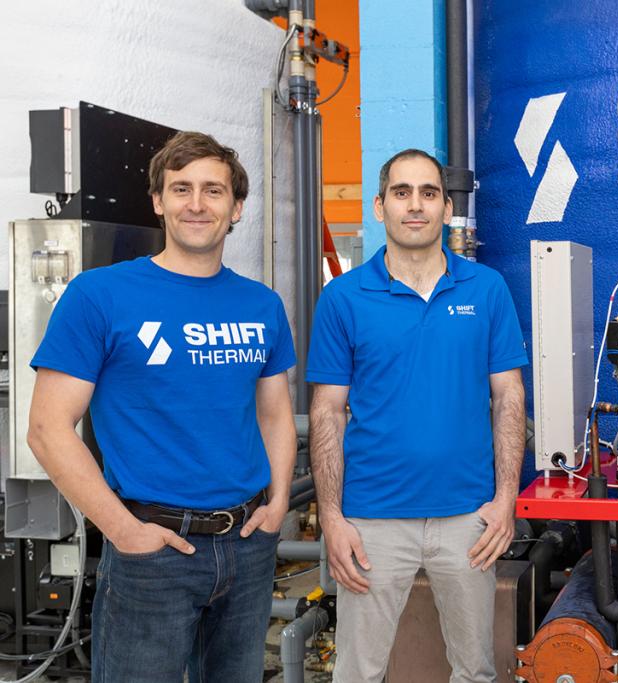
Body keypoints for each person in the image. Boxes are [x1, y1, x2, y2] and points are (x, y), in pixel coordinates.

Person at [27, 131, 297, 682]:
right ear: (158, 201)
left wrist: (279, 503)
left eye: (213, 191)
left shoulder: (261, 304)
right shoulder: (99, 295)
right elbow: (47, 429)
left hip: (247, 546)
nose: (196, 204)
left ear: (237, 207)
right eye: (181, 189)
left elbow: (274, 413)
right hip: (153, 552)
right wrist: (123, 531)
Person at [307, 148, 527, 683]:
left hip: (468, 519)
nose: (416, 206)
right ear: (380, 206)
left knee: (474, 670)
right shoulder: (343, 297)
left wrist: (505, 500)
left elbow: (509, 398)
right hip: (372, 519)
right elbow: (327, 413)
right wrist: (332, 519)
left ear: (446, 208)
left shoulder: (486, 288)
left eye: (428, 194)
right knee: (358, 672)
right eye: (401, 193)